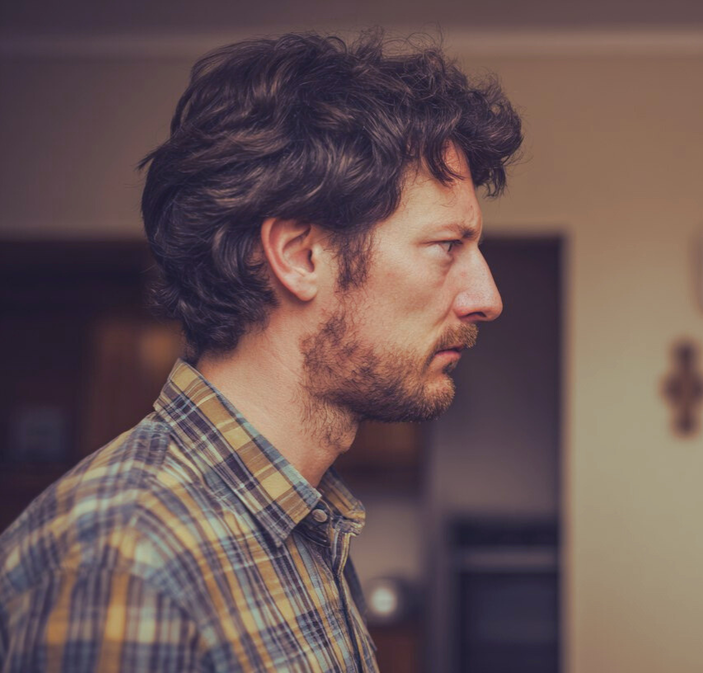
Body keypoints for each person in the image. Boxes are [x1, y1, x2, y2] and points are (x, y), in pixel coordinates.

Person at [0, 31, 521, 672]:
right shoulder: (125, 564)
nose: (487, 298)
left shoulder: (306, 524)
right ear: (301, 257)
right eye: (447, 246)